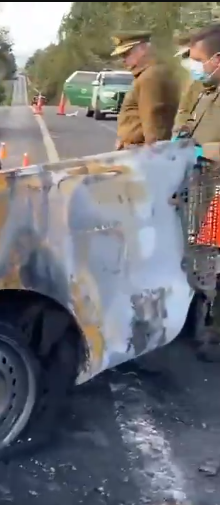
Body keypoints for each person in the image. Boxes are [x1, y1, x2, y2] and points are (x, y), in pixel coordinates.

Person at [174, 24, 220, 362]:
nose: (195, 66)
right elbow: (187, 118)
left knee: (213, 259)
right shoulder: (206, 88)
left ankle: (211, 333)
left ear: (218, 59)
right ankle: (197, 322)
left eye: (199, 60)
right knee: (200, 253)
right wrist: (181, 138)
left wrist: (201, 150)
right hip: (202, 185)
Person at [111, 31, 179, 150]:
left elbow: (154, 121)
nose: (123, 60)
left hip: (141, 151)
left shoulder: (150, 77)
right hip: (136, 148)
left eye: (126, 54)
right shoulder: (148, 74)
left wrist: (152, 154)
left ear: (143, 49)